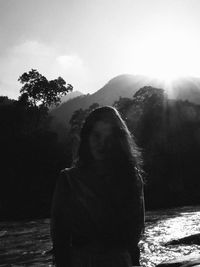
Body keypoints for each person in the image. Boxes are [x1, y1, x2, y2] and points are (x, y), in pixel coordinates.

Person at [51, 106, 145, 267]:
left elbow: (134, 237)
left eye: (109, 139)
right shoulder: (68, 180)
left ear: (117, 141)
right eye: (96, 136)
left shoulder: (130, 177)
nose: (102, 144)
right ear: (86, 137)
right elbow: (60, 240)